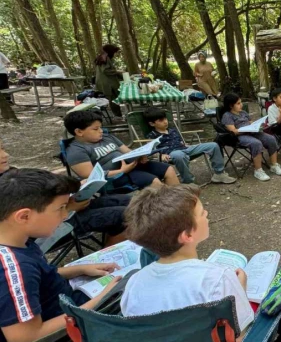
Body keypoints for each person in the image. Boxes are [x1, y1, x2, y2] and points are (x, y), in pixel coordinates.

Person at [0, 169, 121, 342]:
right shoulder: (13, 269)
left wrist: (78, 269)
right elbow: (27, 337)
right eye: (60, 208)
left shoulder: (18, 239)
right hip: (66, 327)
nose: (65, 215)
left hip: (64, 301)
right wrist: (101, 299)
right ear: (24, 216)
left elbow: (41, 276)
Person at [120, 185, 254, 337]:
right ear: (187, 235)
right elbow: (238, 333)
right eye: (202, 213)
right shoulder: (218, 278)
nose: (207, 214)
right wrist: (240, 288)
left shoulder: (133, 284)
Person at [0, 138, 130, 247]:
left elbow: (42, 192)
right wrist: (68, 209)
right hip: (44, 232)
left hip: (62, 209)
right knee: (125, 215)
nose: (5, 155)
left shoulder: (9, 173)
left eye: (3, 148)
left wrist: (77, 191)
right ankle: (111, 257)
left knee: (126, 201)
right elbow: (29, 222)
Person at [64, 110, 180, 190]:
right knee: (155, 183)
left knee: (169, 170)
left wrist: (139, 156)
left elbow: (128, 152)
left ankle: (180, 204)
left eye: (100, 127)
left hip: (131, 166)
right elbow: (89, 175)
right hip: (115, 177)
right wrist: (121, 171)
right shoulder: (76, 150)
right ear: (79, 132)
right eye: (95, 129)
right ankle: (169, 212)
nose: (101, 131)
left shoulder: (107, 137)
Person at [144, 107, 236, 185]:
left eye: (165, 118)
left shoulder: (172, 130)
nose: (165, 122)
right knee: (179, 155)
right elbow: (150, 151)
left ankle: (219, 174)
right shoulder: (152, 136)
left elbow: (180, 142)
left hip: (185, 149)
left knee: (213, 145)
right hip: (172, 154)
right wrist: (161, 156)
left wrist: (184, 144)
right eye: (161, 120)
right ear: (152, 124)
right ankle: (188, 182)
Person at [221, 93, 281, 182]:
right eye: (238, 103)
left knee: (271, 139)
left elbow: (251, 122)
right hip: (239, 137)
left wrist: (257, 125)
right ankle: (258, 170)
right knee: (256, 143)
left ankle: (274, 165)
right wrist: (245, 129)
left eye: (241, 102)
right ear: (231, 105)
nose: (241, 105)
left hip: (252, 132)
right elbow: (233, 131)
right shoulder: (227, 115)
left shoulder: (243, 112)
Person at [94, 44, 124, 118]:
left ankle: (118, 115)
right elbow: (106, 71)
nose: (115, 54)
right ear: (111, 51)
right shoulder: (105, 58)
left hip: (103, 81)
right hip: (107, 83)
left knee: (113, 99)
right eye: (115, 52)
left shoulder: (102, 57)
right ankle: (118, 116)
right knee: (114, 99)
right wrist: (117, 71)